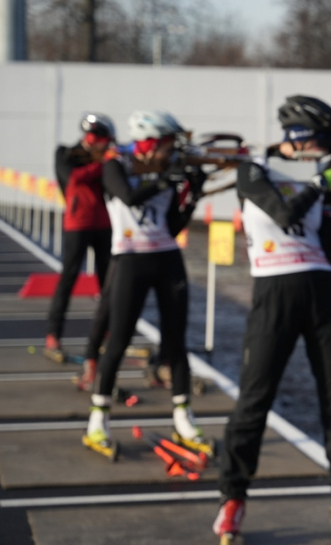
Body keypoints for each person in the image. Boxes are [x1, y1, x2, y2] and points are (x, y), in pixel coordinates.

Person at [213, 95, 331, 545]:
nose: (329, 150)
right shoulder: (254, 170)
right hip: (274, 291)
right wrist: (322, 183)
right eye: (324, 140)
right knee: (255, 399)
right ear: (301, 137)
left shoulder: (321, 177)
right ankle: (233, 498)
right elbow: (285, 214)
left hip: (324, 292)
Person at [82, 111, 207, 461]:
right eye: (167, 145)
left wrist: (192, 194)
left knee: (176, 341)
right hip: (129, 260)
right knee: (119, 340)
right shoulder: (115, 164)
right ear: (151, 143)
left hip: (166, 257)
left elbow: (172, 224)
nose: (171, 153)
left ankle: (183, 417)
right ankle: (97, 420)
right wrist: (167, 180)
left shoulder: (166, 169)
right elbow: (128, 197)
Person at [45, 112, 116, 365]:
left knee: (108, 282)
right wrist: (104, 163)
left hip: (104, 223)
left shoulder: (108, 157)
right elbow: (72, 178)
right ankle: (53, 336)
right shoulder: (65, 153)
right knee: (68, 279)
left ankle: (108, 334)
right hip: (77, 224)